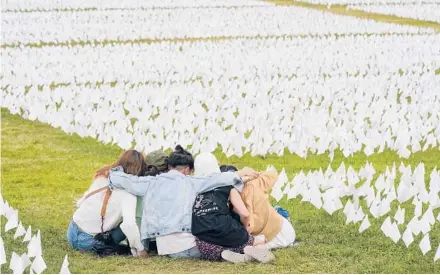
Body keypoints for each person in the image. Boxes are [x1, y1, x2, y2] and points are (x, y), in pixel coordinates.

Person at [108, 145, 258, 259]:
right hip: (189, 246)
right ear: (187, 170)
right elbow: (215, 179)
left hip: (164, 248)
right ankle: (239, 249)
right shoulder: (190, 182)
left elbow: (125, 180)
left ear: (169, 166)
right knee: (214, 238)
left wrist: (113, 172)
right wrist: (240, 174)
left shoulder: (151, 182)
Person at [192, 153, 275, 263]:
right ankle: (252, 248)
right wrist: (245, 232)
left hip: (202, 232)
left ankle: (223, 254)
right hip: (225, 227)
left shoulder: (195, 187)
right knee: (257, 240)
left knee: (207, 248)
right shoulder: (229, 188)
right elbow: (244, 213)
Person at [67, 150, 148, 257]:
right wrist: (140, 249)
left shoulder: (104, 175)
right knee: (133, 220)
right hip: (88, 241)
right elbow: (129, 225)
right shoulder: (129, 192)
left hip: (72, 230)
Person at [219, 165, 296, 260]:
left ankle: (248, 254)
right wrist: (253, 174)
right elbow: (272, 175)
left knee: (250, 244)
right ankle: (250, 252)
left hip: (276, 235)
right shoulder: (254, 182)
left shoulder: (235, 199)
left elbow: (249, 224)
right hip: (284, 227)